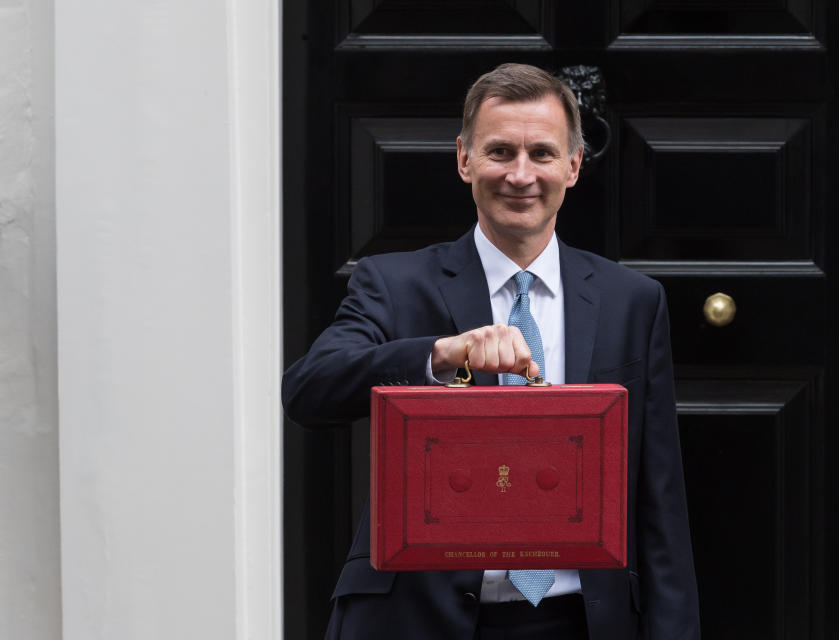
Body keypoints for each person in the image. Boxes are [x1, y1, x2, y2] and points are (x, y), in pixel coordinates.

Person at [283, 63, 699, 640]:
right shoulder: (393, 283)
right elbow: (309, 391)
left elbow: (660, 501)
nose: (520, 175)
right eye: (500, 151)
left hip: (580, 620)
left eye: (542, 153)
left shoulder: (633, 301)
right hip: (417, 620)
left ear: (574, 165)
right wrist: (441, 355)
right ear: (464, 160)